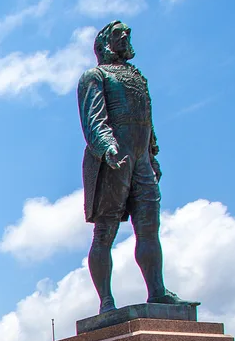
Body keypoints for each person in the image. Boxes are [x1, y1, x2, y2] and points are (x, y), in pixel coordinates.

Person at [78, 21, 188, 314]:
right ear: (104, 42)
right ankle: (106, 301)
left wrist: (152, 155)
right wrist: (107, 148)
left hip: (141, 160)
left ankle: (157, 291)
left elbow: (145, 120)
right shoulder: (95, 76)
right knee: (105, 232)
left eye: (127, 33)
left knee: (149, 228)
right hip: (111, 159)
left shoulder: (137, 77)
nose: (125, 36)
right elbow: (93, 119)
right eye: (118, 34)